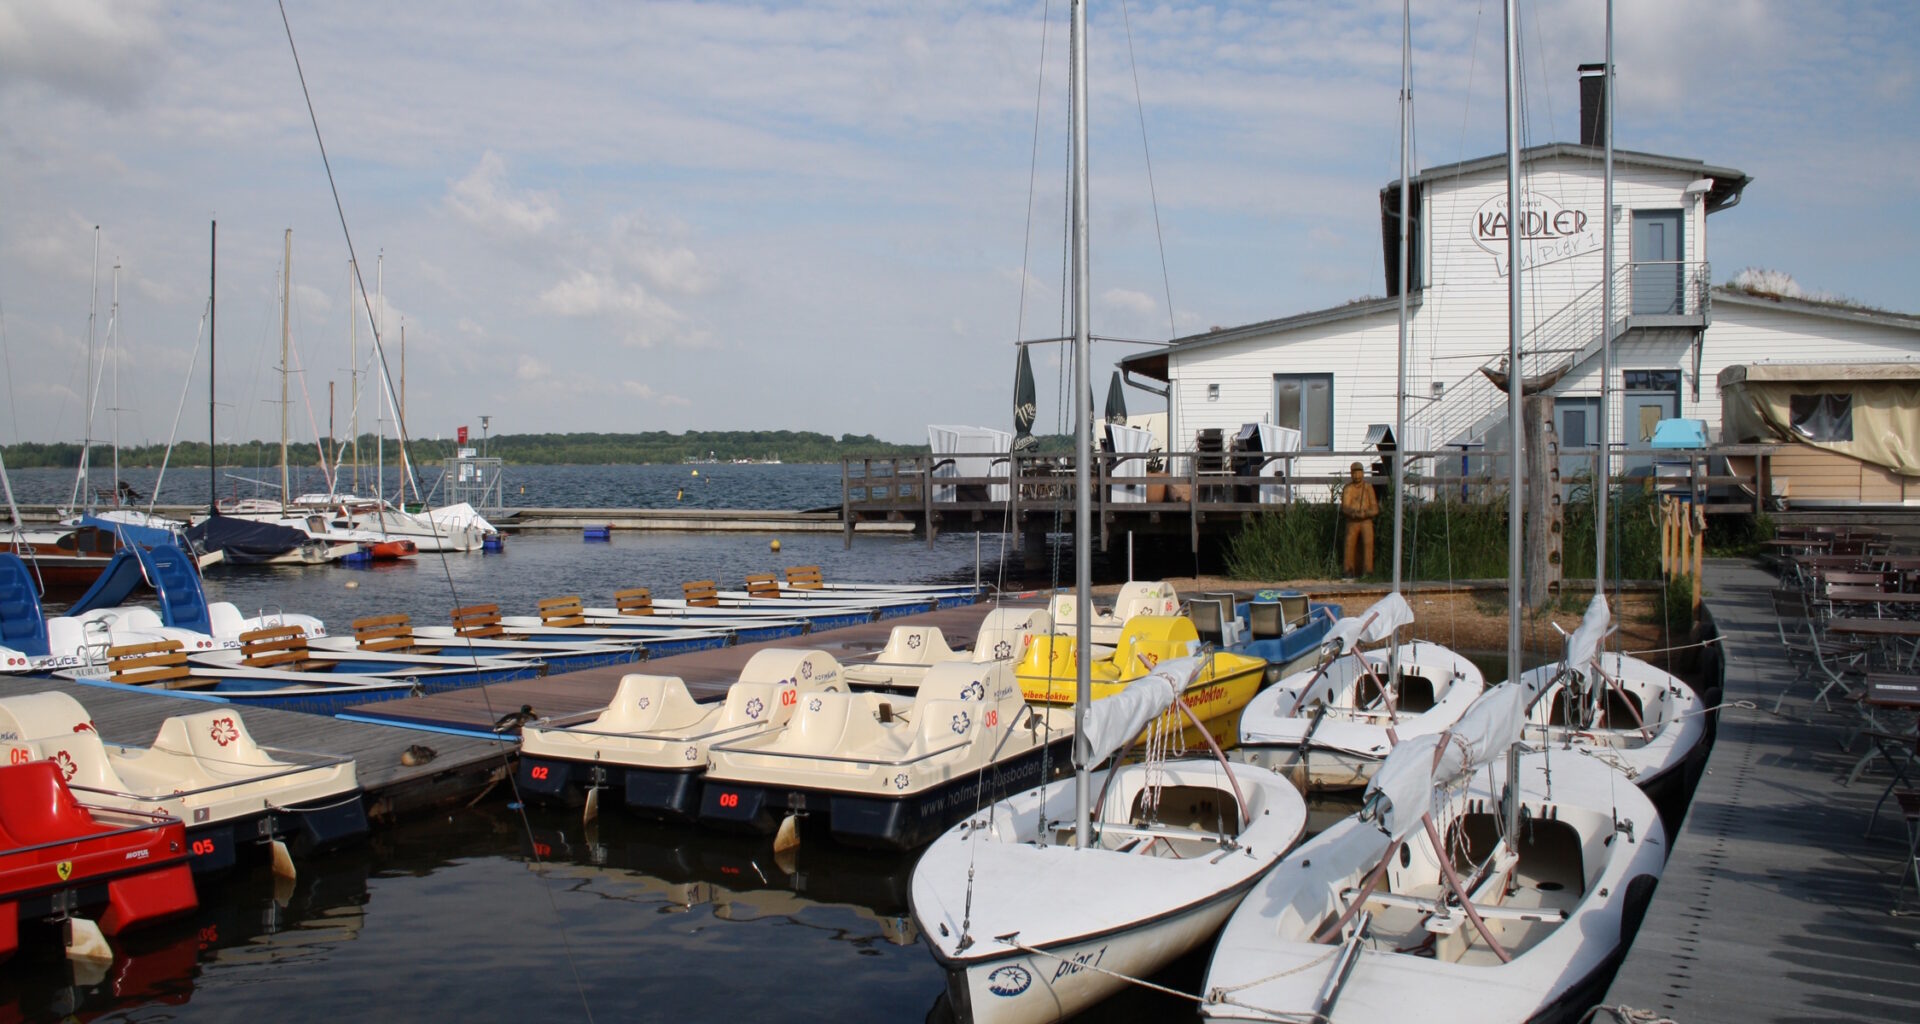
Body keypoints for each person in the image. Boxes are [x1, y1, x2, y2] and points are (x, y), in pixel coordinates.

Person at [1340, 462, 1379, 577]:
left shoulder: (1368, 488)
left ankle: (1368, 571)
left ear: (1363, 473)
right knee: (1349, 543)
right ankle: (1348, 570)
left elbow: (1375, 508)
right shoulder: (1348, 488)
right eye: (1354, 473)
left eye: (1359, 473)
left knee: (1368, 543)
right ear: (1351, 474)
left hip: (1366, 520)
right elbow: (1345, 507)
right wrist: (1354, 513)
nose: (1357, 476)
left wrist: (1366, 513)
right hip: (1352, 520)